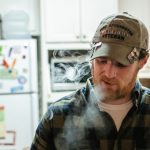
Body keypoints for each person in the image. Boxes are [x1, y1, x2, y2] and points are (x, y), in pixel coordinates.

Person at [30, 12, 150, 150]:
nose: (109, 73)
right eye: (102, 61)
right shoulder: (57, 117)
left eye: (120, 64)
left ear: (143, 61)